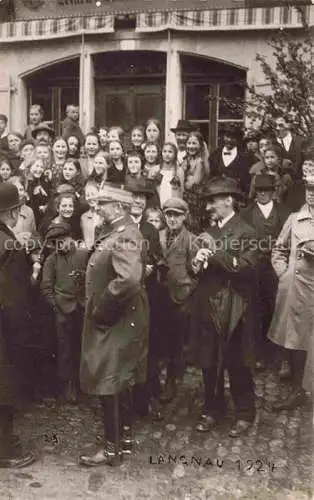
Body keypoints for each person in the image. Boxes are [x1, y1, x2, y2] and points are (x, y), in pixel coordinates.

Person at [79, 183, 149, 466]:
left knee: (108, 379)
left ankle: (111, 450)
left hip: (117, 319)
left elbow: (129, 279)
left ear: (118, 208)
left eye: (104, 204)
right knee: (118, 379)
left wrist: (102, 311)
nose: (98, 208)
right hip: (120, 318)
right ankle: (125, 441)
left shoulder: (126, 234)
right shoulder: (119, 231)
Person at [189, 177, 259, 437]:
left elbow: (243, 268)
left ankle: (244, 413)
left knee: (236, 361)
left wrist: (214, 252)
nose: (208, 207)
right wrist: (195, 261)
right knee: (209, 361)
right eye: (207, 202)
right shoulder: (210, 229)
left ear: (229, 200)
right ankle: (212, 408)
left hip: (234, 309)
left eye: (213, 201)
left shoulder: (247, 232)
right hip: (208, 305)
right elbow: (194, 269)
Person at [267, 175, 314, 411]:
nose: (312, 194)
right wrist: (284, 274)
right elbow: (279, 249)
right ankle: (297, 389)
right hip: (296, 287)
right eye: (309, 189)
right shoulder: (295, 219)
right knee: (295, 338)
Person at [0, 183, 35, 467]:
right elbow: (12, 300)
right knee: (5, 385)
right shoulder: (10, 248)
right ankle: (5, 451)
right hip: (4, 330)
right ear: (11, 212)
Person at [241, 174, 290, 368]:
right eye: (259, 190)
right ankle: (258, 354)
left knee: (278, 309)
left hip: (277, 269)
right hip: (254, 268)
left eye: (266, 190)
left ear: (273, 192)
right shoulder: (246, 213)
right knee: (255, 311)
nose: (262, 194)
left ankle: (278, 356)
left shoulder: (285, 213)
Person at [41, 222, 89, 403]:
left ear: (72, 238)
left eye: (64, 240)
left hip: (83, 308)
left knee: (83, 347)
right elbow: (46, 287)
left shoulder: (84, 255)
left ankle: (83, 384)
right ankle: (68, 386)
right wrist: (55, 307)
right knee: (65, 349)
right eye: (56, 242)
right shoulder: (51, 261)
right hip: (62, 310)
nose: (61, 245)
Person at [158, 197, 197, 403]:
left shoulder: (191, 240)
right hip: (160, 296)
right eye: (169, 215)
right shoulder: (158, 236)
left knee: (176, 342)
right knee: (159, 339)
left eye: (177, 215)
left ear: (184, 217)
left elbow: (196, 271)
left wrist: (188, 289)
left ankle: (171, 381)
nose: (172, 219)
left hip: (180, 298)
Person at [209, 124, 251, 196]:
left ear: (238, 139)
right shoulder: (215, 155)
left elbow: (246, 180)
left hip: (237, 195)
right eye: (227, 136)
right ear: (223, 137)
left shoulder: (245, 157)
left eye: (233, 137)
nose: (229, 140)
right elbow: (211, 177)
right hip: (217, 194)